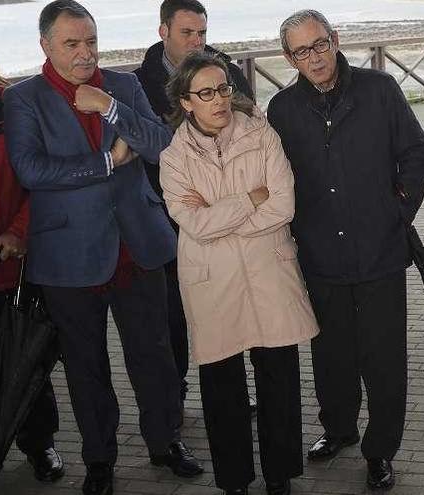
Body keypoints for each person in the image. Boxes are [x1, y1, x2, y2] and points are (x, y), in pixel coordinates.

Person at [3, 2, 202, 494]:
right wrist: (106, 164)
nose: (85, 53)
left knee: (154, 354)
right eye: (72, 44)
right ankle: (99, 461)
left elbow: (164, 146)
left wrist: (109, 108)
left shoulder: (125, 85)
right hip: (68, 258)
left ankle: (165, 440)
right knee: (87, 367)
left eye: (90, 41)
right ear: (46, 46)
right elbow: (30, 169)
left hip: (137, 245)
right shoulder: (24, 98)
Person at [267, 9, 424, 490]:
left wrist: (397, 213)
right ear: (288, 57)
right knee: (330, 355)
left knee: (384, 359)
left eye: (320, 44)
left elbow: (417, 154)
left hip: (381, 252)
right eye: (302, 51)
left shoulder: (381, 91)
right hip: (320, 257)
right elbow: (277, 178)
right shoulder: (281, 109)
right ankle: (338, 430)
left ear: (335, 40)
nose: (314, 57)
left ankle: (380, 451)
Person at [160, 51, 319, 495]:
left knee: (280, 382)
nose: (219, 100)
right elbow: (193, 224)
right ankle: (234, 481)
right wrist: (250, 199)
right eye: (206, 92)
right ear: (187, 102)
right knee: (221, 389)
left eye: (224, 88)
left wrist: (223, 219)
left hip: (269, 273)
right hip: (214, 283)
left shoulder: (263, 134)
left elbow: (283, 204)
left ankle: (280, 476)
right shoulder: (173, 159)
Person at [134, 0, 255, 407]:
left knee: (230, 306)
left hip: (232, 213)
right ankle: (178, 393)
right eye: (187, 32)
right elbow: (157, 148)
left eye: (202, 32)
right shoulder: (140, 83)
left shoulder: (228, 72)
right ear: (162, 31)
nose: (197, 41)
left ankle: (234, 393)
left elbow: (247, 133)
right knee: (174, 316)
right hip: (170, 216)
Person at [0, 58, 65, 487]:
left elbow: (40, 179)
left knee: (24, 361)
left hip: (12, 266)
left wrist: (20, 231)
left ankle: (40, 445)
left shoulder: (9, 104)